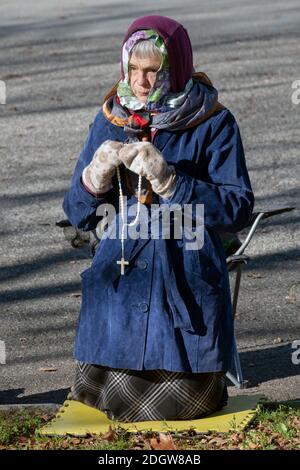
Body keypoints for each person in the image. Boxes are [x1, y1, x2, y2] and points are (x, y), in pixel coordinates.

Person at [62, 15, 254, 422]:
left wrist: (172, 182)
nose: (141, 82)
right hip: (120, 278)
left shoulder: (214, 121)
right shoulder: (111, 116)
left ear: (176, 69)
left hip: (184, 273)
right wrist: (92, 178)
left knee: (185, 407)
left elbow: (236, 210)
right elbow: (77, 214)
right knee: (100, 405)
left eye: (153, 71)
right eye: (133, 69)